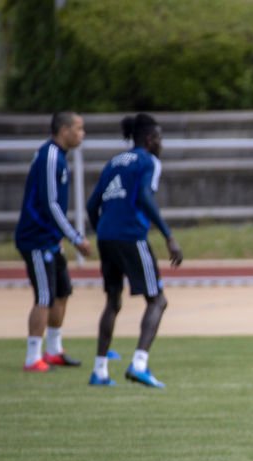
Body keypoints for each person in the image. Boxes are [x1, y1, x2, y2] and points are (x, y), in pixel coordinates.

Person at [86, 113, 183, 388]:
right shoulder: (148, 161)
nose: (162, 144)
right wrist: (168, 236)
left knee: (112, 302)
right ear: (151, 140)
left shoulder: (114, 162)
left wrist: (104, 230)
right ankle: (139, 364)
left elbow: (92, 205)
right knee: (157, 300)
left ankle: (100, 371)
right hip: (131, 236)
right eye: (160, 138)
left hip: (107, 237)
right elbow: (143, 195)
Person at [14, 111, 92, 372]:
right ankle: (32, 357)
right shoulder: (50, 156)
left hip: (50, 238)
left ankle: (54, 350)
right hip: (36, 239)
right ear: (64, 130)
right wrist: (75, 237)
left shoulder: (59, 157)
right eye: (78, 128)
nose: (82, 134)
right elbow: (50, 204)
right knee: (44, 297)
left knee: (62, 292)